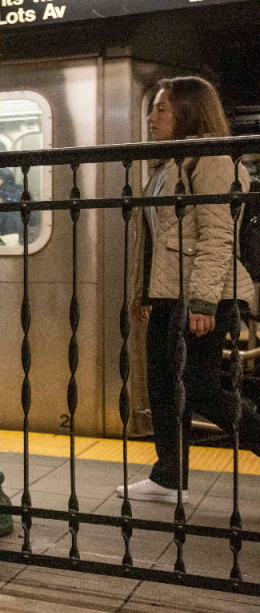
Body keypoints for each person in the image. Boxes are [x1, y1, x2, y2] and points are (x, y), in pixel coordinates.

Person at [122, 76, 260, 503]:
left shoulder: (212, 160)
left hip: (207, 294)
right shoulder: (168, 165)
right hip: (170, 293)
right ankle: (169, 476)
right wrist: (143, 293)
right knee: (162, 383)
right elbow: (156, 237)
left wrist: (203, 303)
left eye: (162, 109)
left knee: (197, 385)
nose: (152, 117)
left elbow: (218, 238)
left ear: (188, 112)